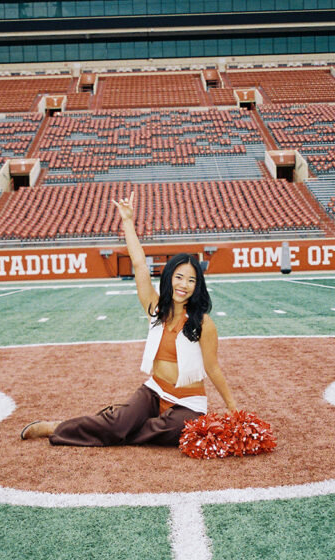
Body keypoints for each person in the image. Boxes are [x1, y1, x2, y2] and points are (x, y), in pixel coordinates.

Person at [20, 191, 239, 446]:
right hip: (155, 391)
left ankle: (117, 425)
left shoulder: (203, 323)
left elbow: (212, 368)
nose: (184, 284)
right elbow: (139, 264)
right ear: (168, 277)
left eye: (191, 280)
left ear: (197, 286)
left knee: (178, 432)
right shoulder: (156, 308)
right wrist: (127, 222)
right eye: (179, 277)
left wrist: (233, 409)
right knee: (127, 425)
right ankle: (57, 427)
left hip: (188, 402)